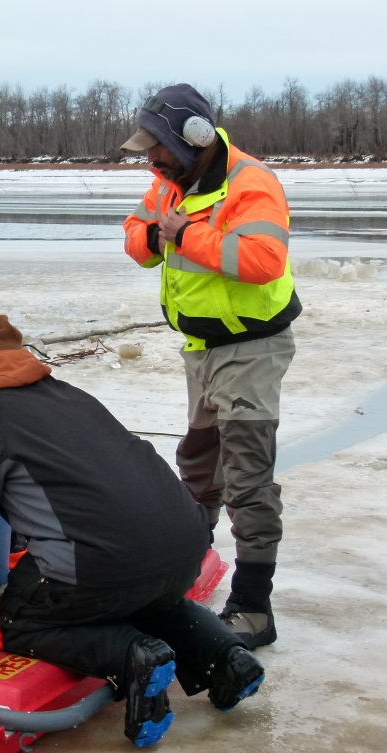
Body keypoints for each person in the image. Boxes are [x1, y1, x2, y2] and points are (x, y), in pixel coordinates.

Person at [0, 314, 265, 748]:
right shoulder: (71, 396)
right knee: (141, 598)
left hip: (105, 566)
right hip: (184, 547)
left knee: (20, 618)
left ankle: (135, 659)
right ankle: (226, 660)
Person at [120, 83, 300, 649]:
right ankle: (185, 571)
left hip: (251, 347)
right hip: (200, 348)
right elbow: (135, 238)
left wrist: (187, 234)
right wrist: (157, 233)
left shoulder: (251, 183)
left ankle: (253, 606)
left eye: (157, 149)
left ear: (193, 138)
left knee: (246, 474)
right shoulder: (168, 183)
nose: (150, 161)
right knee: (199, 467)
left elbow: (264, 261)